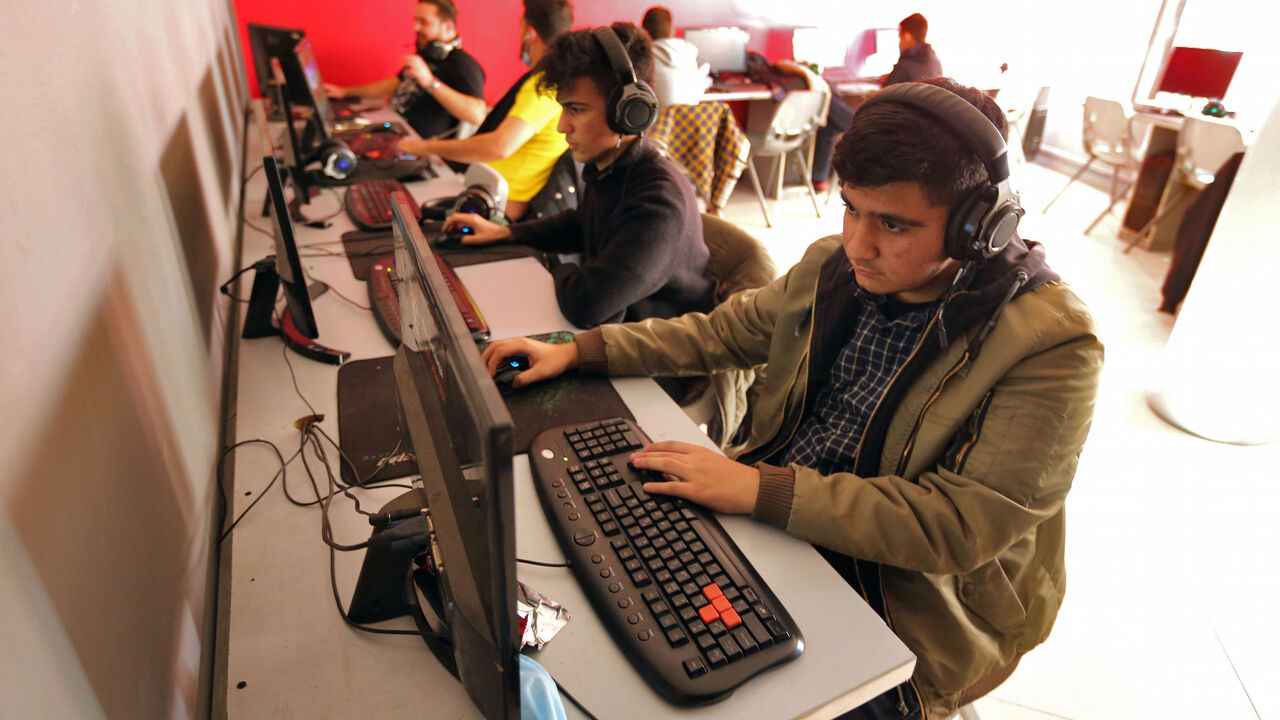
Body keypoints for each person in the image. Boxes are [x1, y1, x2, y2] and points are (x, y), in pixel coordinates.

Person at [480, 78, 1104, 719]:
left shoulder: (1052, 344)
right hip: (784, 520)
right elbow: (723, 332)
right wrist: (580, 351)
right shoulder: (833, 265)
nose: (860, 244)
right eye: (852, 208)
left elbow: (959, 525)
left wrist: (756, 490)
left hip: (911, 601)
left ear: (981, 227)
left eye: (894, 224)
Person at [442, 23, 716, 330]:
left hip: (655, 367)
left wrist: (553, 267)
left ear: (627, 111)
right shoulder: (613, 170)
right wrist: (507, 234)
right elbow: (581, 222)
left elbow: (587, 304)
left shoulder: (660, 206)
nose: (562, 126)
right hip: (610, 338)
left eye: (576, 110)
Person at [398, 0, 574, 220]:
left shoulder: (544, 85)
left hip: (494, 212)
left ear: (530, 33)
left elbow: (498, 146)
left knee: (397, 208)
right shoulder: (549, 80)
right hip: (481, 193)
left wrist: (422, 147)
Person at [811, 13, 944, 190]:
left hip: (884, 129)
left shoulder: (904, 67)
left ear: (906, 36)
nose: (899, 42)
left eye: (899, 37)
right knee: (830, 125)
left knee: (829, 101)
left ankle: (820, 179)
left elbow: (881, 103)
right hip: (915, 131)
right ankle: (820, 179)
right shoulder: (934, 62)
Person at [323, 0, 485, 141]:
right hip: (391, 126)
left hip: (416, 146)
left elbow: (477, 114)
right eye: (416, 21)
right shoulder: (426, 54)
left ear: (448, 26)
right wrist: (344, 92)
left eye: (424, 22)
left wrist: (430, 82)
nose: (416, 27)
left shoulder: (464, 65)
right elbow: (392, 85)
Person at [640, 6, 710, 108]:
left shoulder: (644, 56)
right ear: (671, 29)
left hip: (659, 122)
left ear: (644, 29)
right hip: (688, 120)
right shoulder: (687, 53)